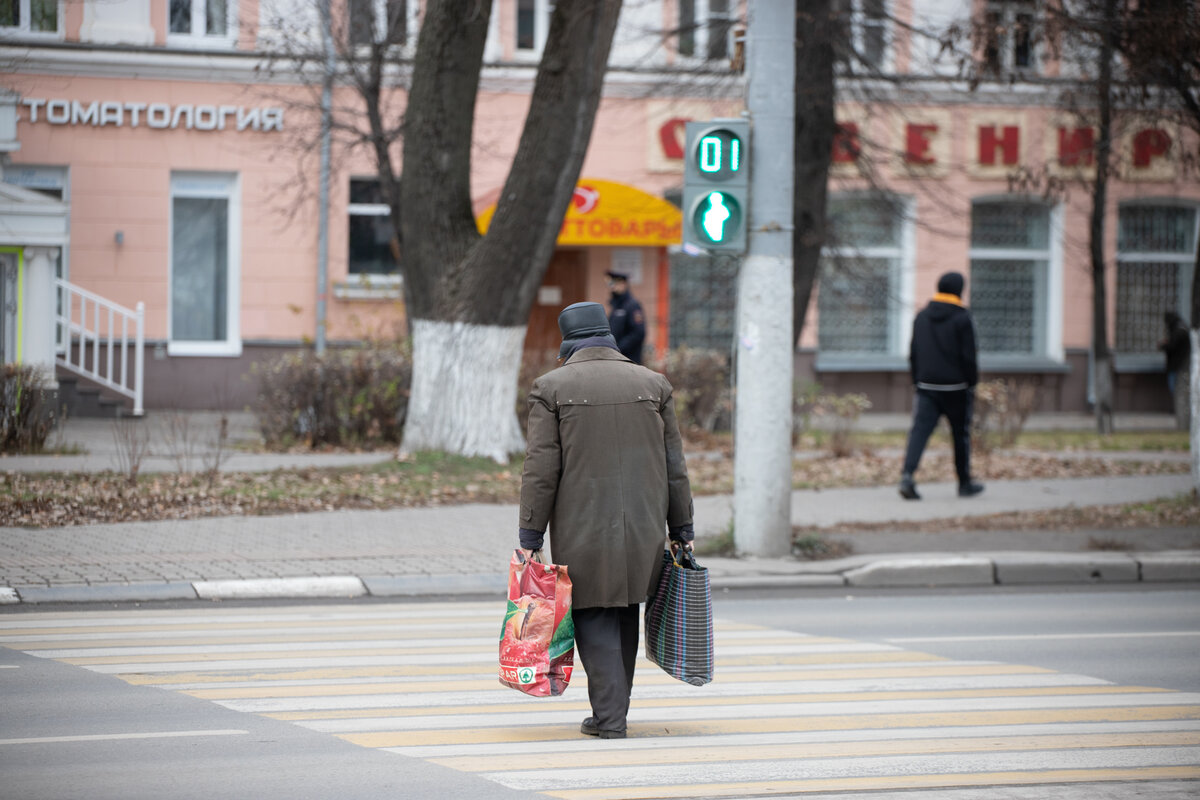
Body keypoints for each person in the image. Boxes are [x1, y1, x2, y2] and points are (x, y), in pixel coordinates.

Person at [518, 301, 694, 740]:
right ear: (609, 337)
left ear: (568, 343)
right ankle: (611, 711)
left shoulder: (551, 387)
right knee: (623, 613)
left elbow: (541, 469)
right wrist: (683, 529)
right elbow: (675, 466)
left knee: (593, 614)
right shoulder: (654, 384)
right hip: (644, 525)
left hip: (582, 525)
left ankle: (611, 719)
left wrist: (530, 534)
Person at [899, 271, 985, 501]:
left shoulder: (922, 316)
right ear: (959, 290)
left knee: (919, 432)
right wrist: (972, 383)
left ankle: (907, 475)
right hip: (956, 388)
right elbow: (969, 356)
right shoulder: (963, 318)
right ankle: (964, 483)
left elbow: (914, 353)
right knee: (960, 436)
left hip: (926, 386)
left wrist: (917, 381)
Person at [605, 270, 646, 364]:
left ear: (623, 284)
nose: (612, 287)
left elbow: (638, 333)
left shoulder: (632, 305)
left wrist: (618, 348)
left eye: (614, 283)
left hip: (629, 360)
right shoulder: (617, 305)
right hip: (616, 359)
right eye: (610, 284)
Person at [1159, 311, 1191, 398]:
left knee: (1175, 386)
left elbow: (1172, 345)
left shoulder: (1178, 331)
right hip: (1181, 364)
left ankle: (1178, 404)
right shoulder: (1181, 328)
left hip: (1177, 365)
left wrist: (1164, 345)